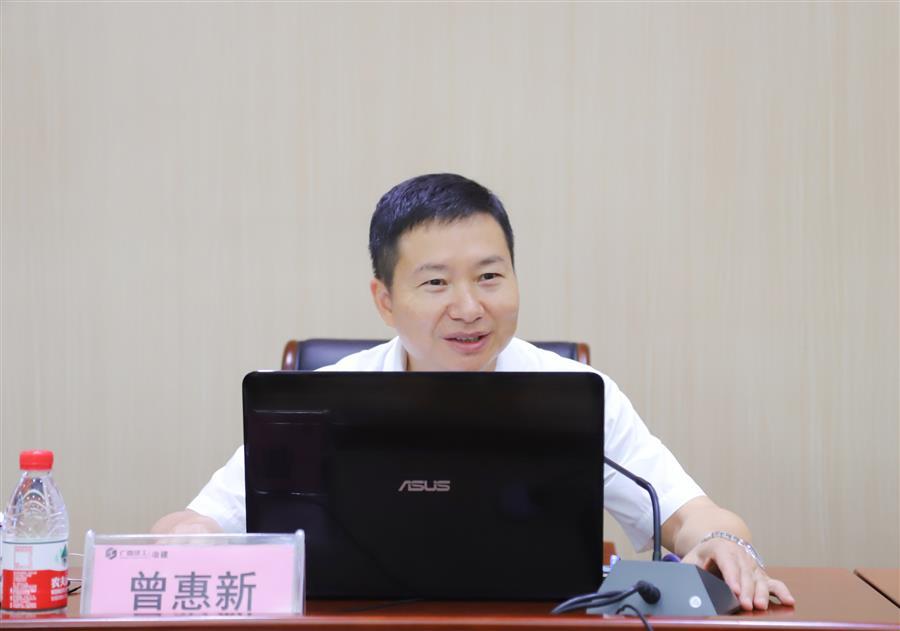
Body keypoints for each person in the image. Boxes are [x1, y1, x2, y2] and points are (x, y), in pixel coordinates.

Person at [153, 173, 794, 611]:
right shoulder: (317, 403)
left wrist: (726, 545)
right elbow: (192, 524)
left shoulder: (574, 394)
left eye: (490, 276)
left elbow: (691, 515)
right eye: (435, 283)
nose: (469, 307)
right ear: (385, 300)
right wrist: (189, 537)